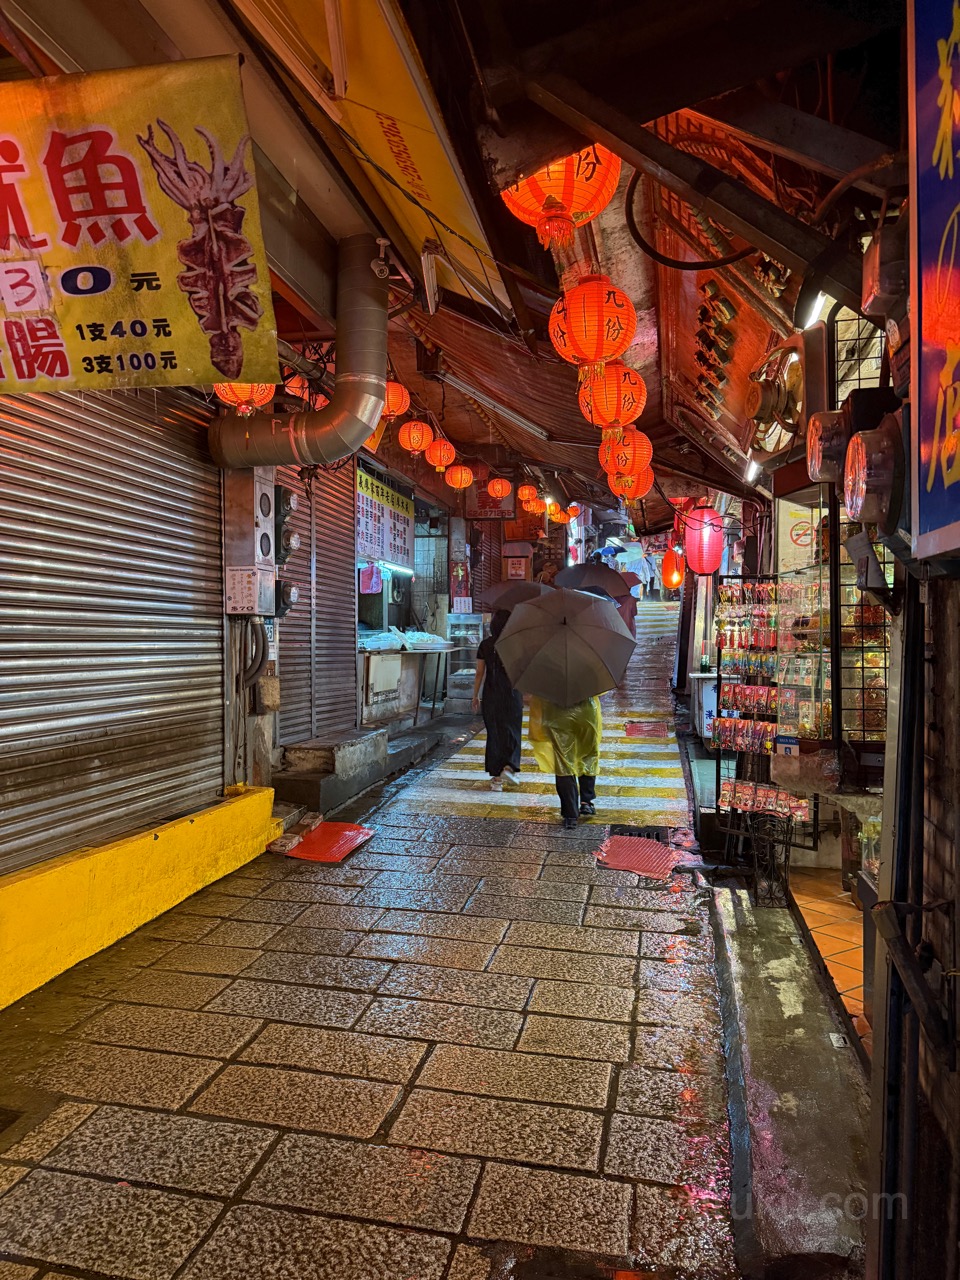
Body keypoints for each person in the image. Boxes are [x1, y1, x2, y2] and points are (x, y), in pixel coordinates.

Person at [528, 693, 602, 828]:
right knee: (588, 755)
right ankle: (586, 802)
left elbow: (537, 696)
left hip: (556, 715)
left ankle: (570, 814)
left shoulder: (546, 672)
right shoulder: (590, 670)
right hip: (586, 713)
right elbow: (601, 690)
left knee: (563, 763)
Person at [472, 609, 523, 791]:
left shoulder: (485, 644)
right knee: (512, 731)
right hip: (512, 694)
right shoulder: (516, 645)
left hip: (491, 695)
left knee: (494, 734)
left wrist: (475, 695)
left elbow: (479, 673)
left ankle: (496, 780)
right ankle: (509, 767)